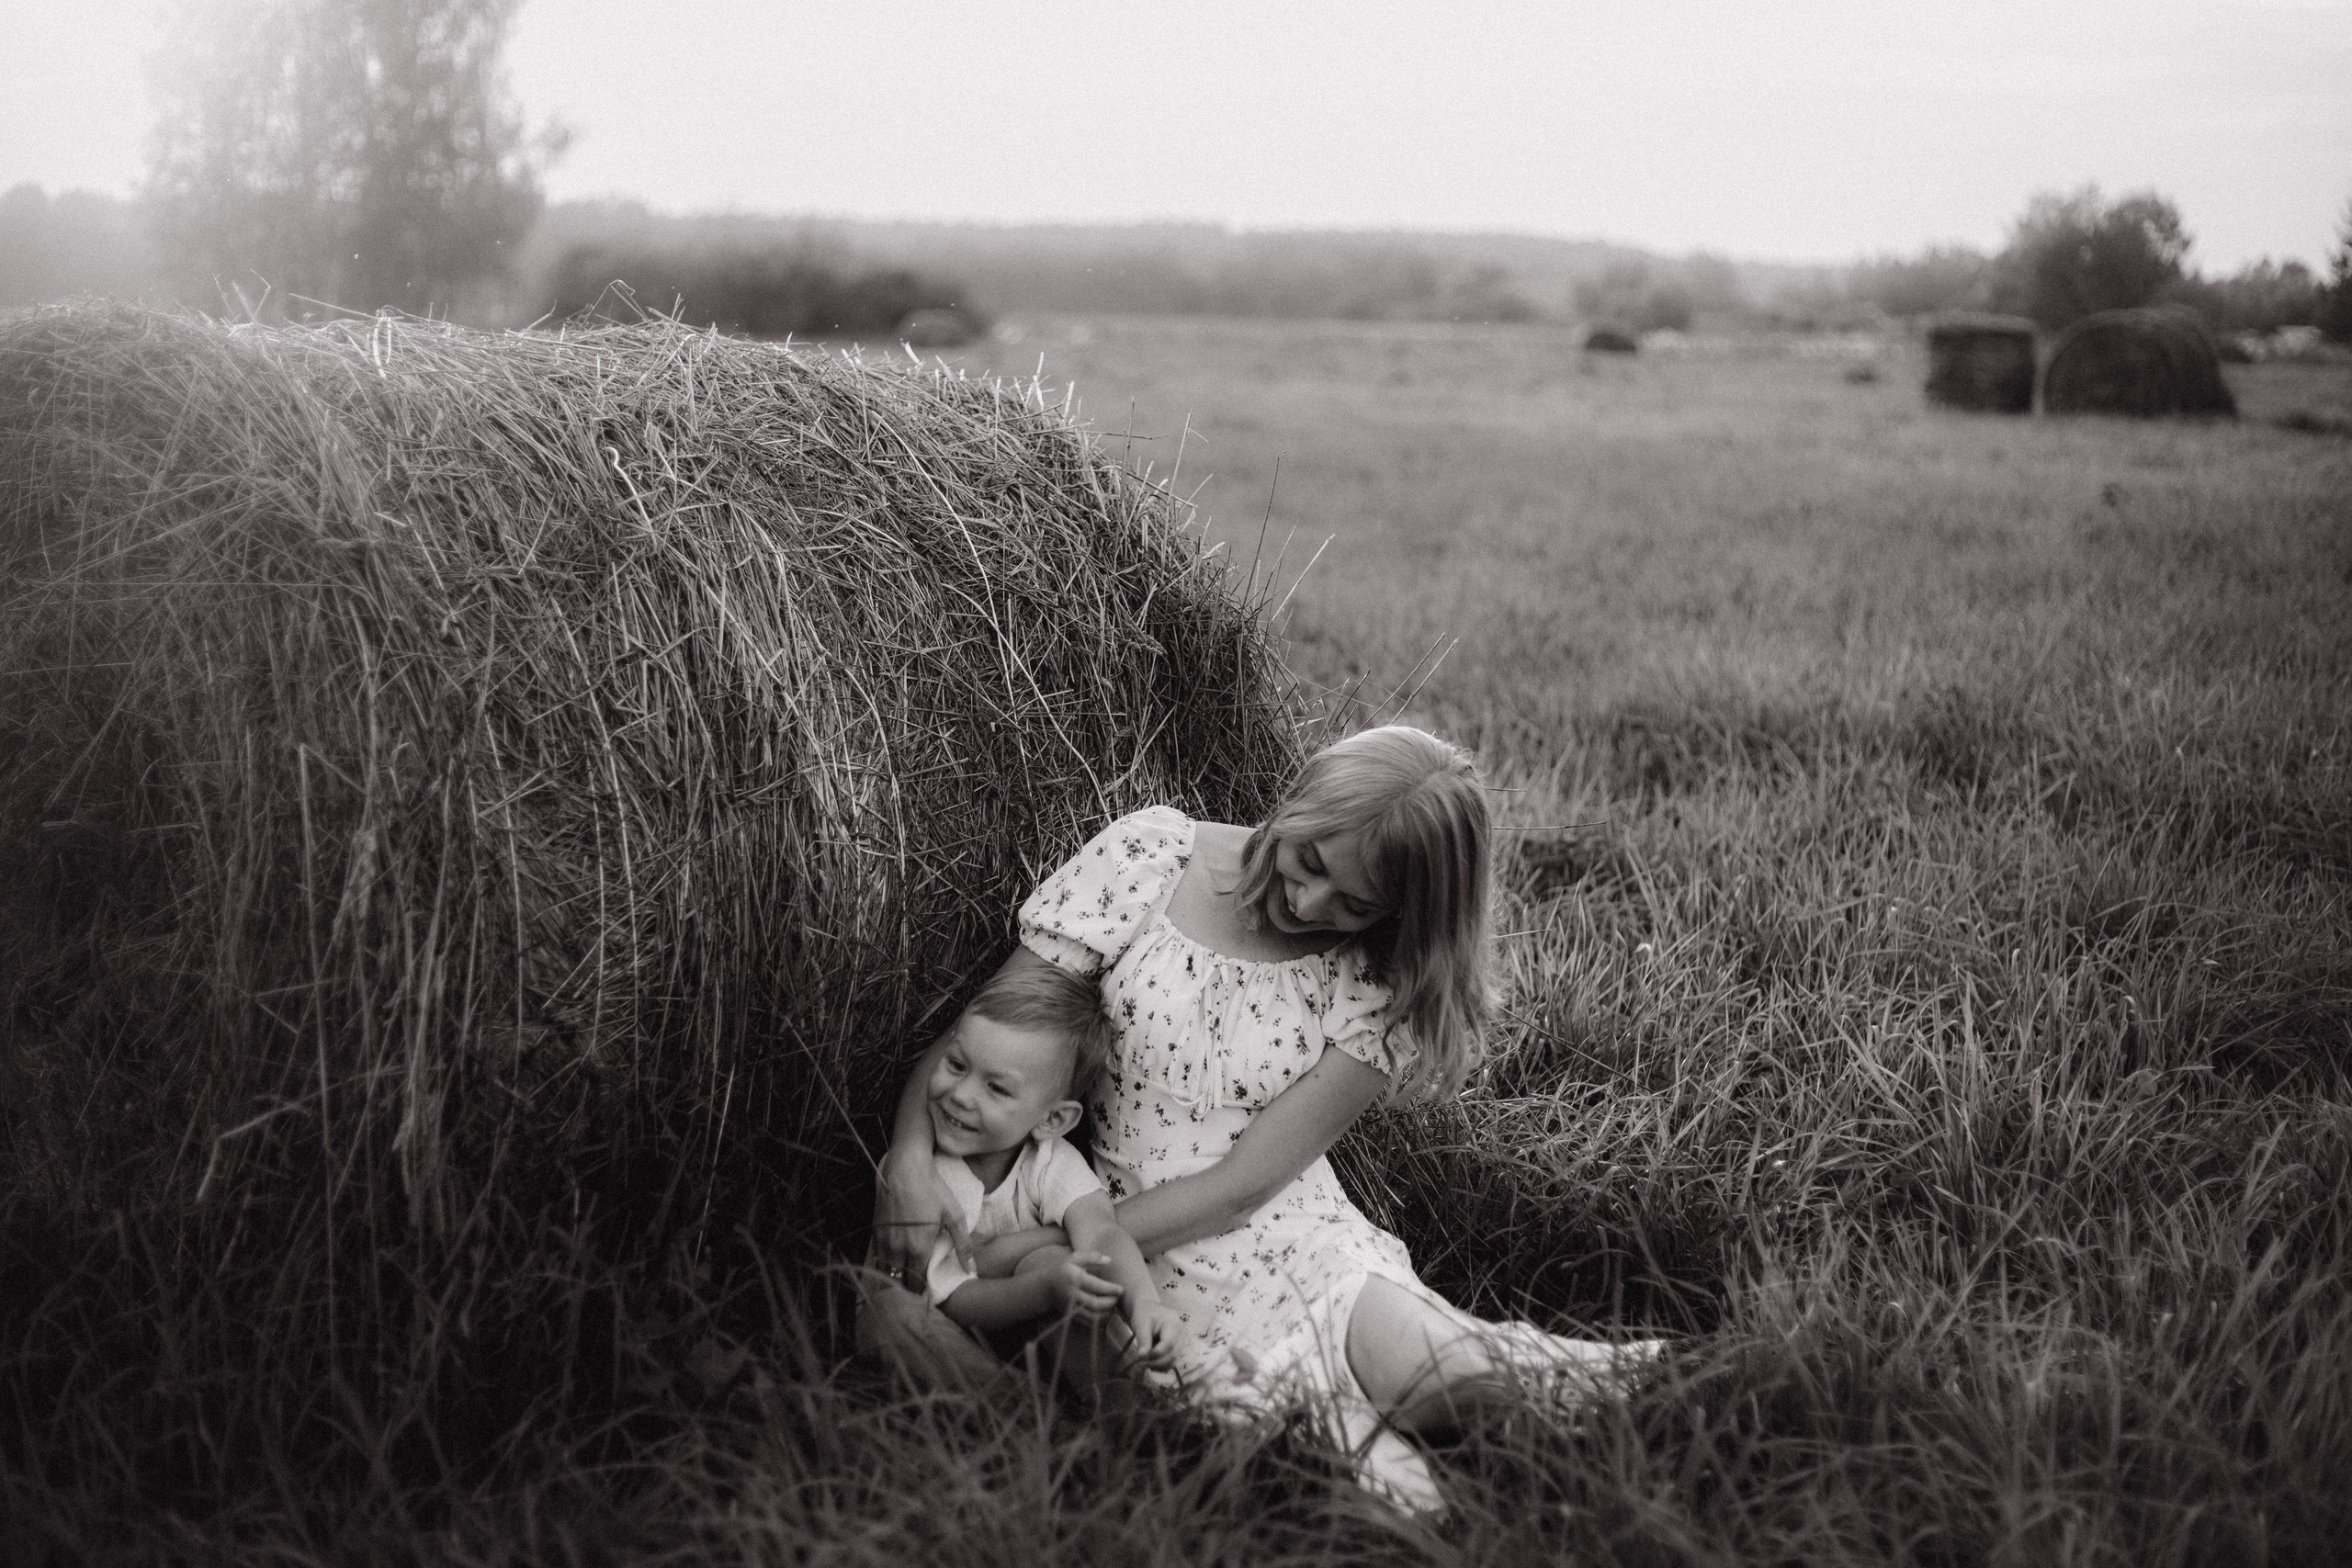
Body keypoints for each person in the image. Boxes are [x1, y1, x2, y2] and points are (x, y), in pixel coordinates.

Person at [875, 725, 1658, 1509]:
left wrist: (1048, 1244)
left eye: (1355, 902)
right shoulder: (1151, 857)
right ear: (1298, 801)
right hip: (1154, 1274)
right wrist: (908, 1156)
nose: (1309, 901)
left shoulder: (1376, 976)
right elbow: (994, 1030)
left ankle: (1670, 1391)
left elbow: (1244, 1188)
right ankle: (1508, 1499)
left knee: (1441, 1365)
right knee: (1383, 1493)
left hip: (1283, 1238)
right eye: (1310, 858)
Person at [858, 961, 1185, 1385]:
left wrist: (1143, 1301)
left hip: (1022, 1327)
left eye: (996, 1088)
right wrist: (1044, 1290)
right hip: (935, 1337)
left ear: (1052, 1121)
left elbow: (1101, 1233)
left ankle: (1116, 1414)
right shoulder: (927, 1179)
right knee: (892, 1316)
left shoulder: (1049, 1160)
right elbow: (954, 1301)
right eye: (956, 1065)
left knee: (1057, 1262)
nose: (960, 1095)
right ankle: (1017, 1415)